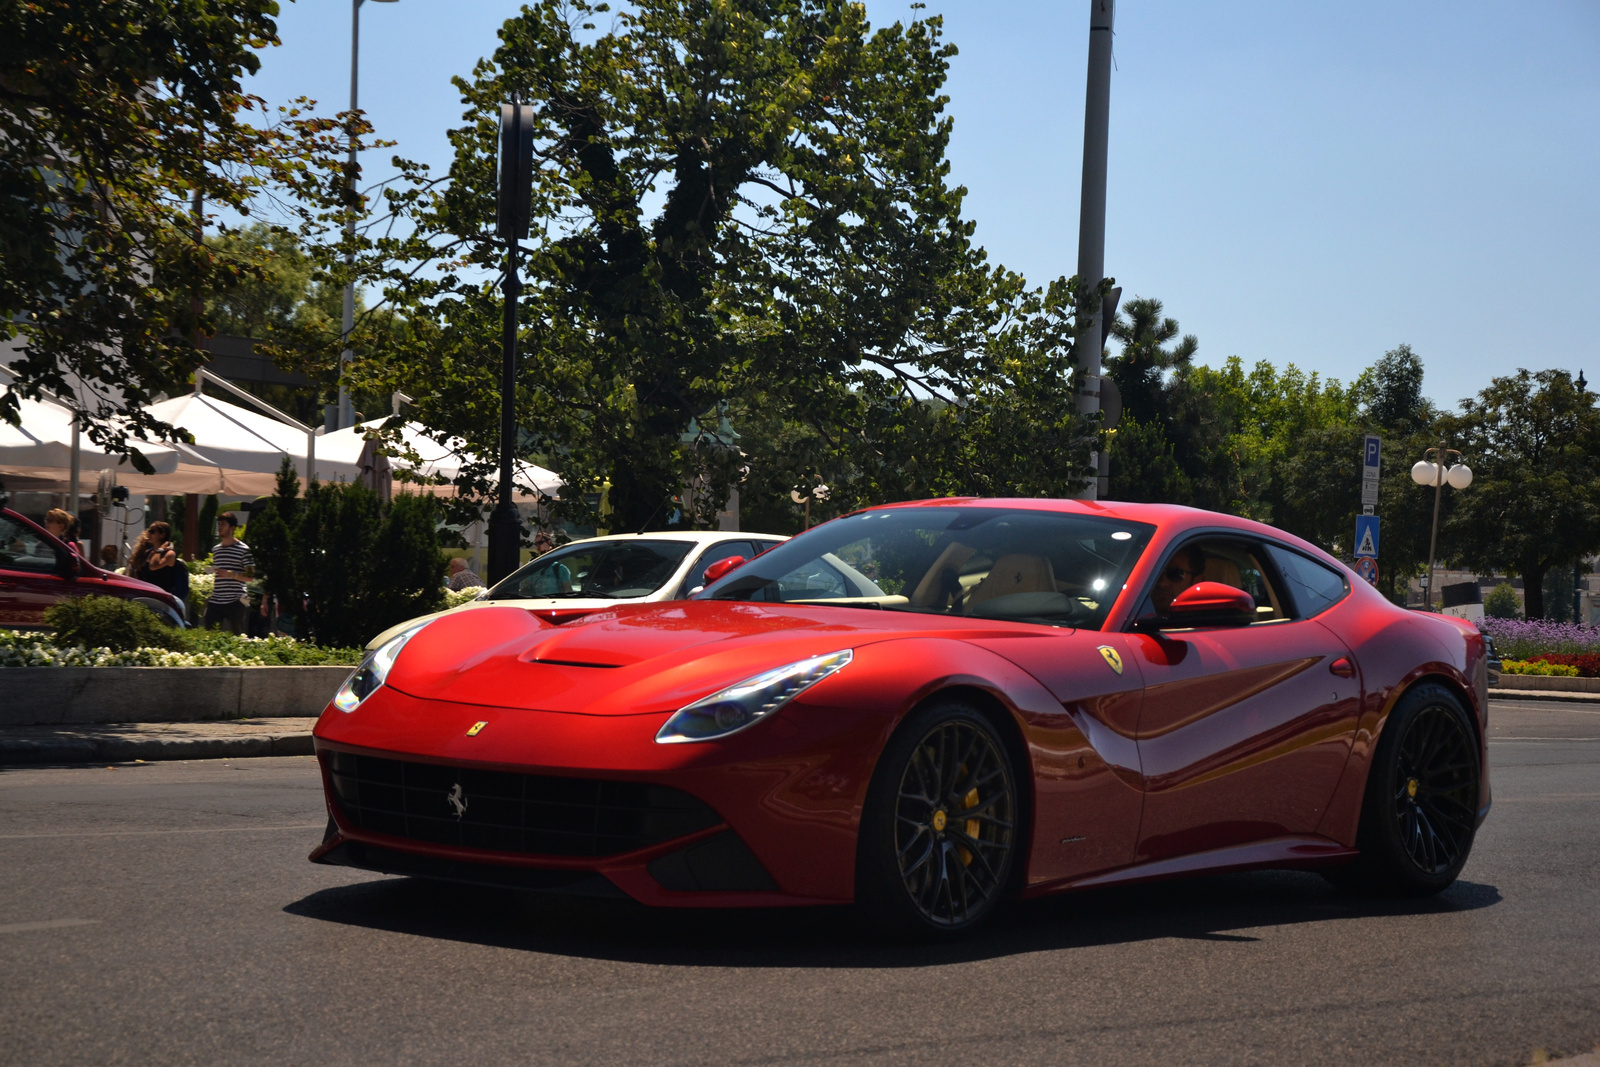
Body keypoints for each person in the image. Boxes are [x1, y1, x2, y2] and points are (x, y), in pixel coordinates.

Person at [204, 513, 254, 633]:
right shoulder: (216, 550)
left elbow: (251, 577)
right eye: (219, 524)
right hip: (216, 599)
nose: (220, 527)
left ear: (232, 528)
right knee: (210, 634)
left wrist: (230, 574)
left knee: (239, 636)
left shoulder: (244, 550)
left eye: (223, 524)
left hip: (238, 599)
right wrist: (209, 570)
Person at [130, 522, 185, 600]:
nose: (148, 533)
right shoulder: (148, 552)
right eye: (148, 530)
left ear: (162, 535)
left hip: (160, 598)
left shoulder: (170, 554)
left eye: (152, 531)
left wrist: (160, 550)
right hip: (145, 595)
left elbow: (153, 566)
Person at [1150, 545, 1207, 616]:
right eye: (1155, 573)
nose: (1162, 583)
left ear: (1197, 582)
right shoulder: (1133, 614)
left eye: (1175, 573)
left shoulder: (1206, 625)